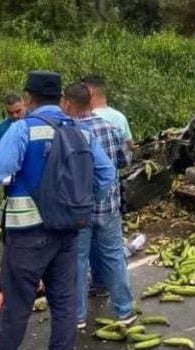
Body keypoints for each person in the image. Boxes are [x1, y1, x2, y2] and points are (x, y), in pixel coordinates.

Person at [0, 71, 115, 350]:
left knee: (16, 305)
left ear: (28, 99)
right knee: (65, 302)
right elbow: (106, 173)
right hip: (68, 231)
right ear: (60, 98)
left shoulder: (23, 129)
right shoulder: (81, 131)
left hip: (28, 234)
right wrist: (82, 205)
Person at [62, 83, 137, 329]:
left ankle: (78, 317)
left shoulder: (67, 132)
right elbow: (125, 161)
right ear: (91, 101)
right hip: (109, 206)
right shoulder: (111, 128)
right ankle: (125, 312)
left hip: (79, 209)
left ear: (68, 103)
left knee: (79, 260)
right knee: (114, 256)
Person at [79, 74, 145, 296]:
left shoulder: (78, 121)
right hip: (110, 196)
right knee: (113, 251)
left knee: (86, 251)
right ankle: (123, 306)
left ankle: (97, 283)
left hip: (83, 199)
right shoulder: (119, 118)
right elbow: (129, 151)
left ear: (90, 93)